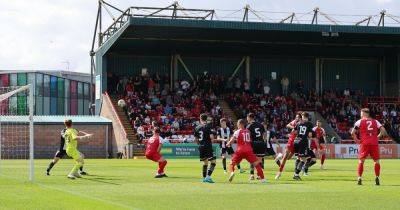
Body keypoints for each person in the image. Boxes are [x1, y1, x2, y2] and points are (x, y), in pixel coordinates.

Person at [351, 108, 386, 185]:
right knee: (376, 161)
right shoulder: (375, 121)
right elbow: (383, 130)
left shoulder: (359, 121)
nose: (360, 115)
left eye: (361, 113)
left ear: (364, 113)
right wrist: (377, 137)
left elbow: (352, 132)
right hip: (374, 143)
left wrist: (356, 140)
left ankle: (359, 178)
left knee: (361, 161)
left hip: (364, 143)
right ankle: (377, 177)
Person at [227, 119, 266, 183]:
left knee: (232, 163)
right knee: (257, 164)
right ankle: (263, 179)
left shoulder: (237, 131)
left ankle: (232, 172)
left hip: (240, 150)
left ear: (240, 124)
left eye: (237, 124)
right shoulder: (248, 131)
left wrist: (228, 143)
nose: (237, 125)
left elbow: (232, 140)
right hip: (249, 150)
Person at [275, 113, 301, 180]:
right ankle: (279, 173)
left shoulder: (302, 124)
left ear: (301, 118)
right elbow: (287, 125)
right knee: (285, 157)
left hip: (297, 142)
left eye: (298, 117)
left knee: (288, 158)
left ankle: (280, 155)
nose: (296, 118)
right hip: (291, 140)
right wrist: (294, 128)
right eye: (296, 117)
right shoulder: (295, 122)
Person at [194, 114, 217, 183]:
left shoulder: (197, 127)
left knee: (205, 162)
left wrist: (200, 145)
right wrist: (211, 141)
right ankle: (208, 177)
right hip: (207, 146)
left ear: (200, 119)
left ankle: (204, 178)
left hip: (201, 146)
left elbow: (196, 139)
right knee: (213, 162)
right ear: (206, 119)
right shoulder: (208, 126)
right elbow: (211, 137)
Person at [293, 112, 314, 180]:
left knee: (298, 158)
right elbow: (310, 135)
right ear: (308, 117)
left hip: (296, 141)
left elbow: (294, 131)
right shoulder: (309, 124)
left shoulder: (298, 123)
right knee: (304, 159)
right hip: (303, 142)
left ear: (302, 117)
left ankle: (295, 172)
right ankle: (296, 174)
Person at [246, 113, 266, 180]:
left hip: (253, 143)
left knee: (252, 160)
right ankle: (259, 175)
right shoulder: (260, 125)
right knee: (259, 160)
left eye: (247, 118)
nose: (247, 119)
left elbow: (248, 136)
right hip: (261, 143)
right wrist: (264, 141)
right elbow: (264, 133)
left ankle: (252, 175)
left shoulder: (249, 126)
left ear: (249, 118)